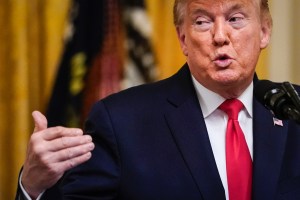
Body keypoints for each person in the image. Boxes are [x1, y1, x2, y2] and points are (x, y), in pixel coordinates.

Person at [16, 0, 300, 199]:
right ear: (183, 39)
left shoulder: (294, 109)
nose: (220, 36)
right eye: (202, 21)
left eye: (235, 19)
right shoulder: (121, 121)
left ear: (264, 31)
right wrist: (33, 186)